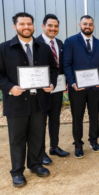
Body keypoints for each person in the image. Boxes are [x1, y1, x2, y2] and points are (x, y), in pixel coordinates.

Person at [0, 12, 58, 187]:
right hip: (16, 102)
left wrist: (51, 83)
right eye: (22, 24)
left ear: (34, 26)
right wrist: (10, 87)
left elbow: (54, 70)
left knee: (37, 136)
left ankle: (35, 165)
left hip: (40, 100)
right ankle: (17, 172)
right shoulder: (3, 48)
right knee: (17, 138)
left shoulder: (43, 48)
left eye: (29, 24)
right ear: (15, 27)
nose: (26, 27)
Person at [63, 15, 99, 159]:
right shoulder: (70, 42)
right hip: (77, 89)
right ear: (80, 24)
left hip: (95, 87)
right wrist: (73, 83)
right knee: (77, 116)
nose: (88, 26)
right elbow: (66, 64)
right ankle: (78, 144)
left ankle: (94, 140)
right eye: (85, 24)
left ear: (94, 26)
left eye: (91, 24)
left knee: (94, 115)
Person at [36, 14, 70, 165]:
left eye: (56, 26)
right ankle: (40, 152)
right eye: (50, 26)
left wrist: (65, 82)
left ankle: (54, 147)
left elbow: (60, 66)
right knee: (40, 121)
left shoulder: (60, 43)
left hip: (57, 88)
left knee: (55, 119)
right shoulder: (35, 43)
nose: (53, 28)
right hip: (41, 90)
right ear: (43, 26)